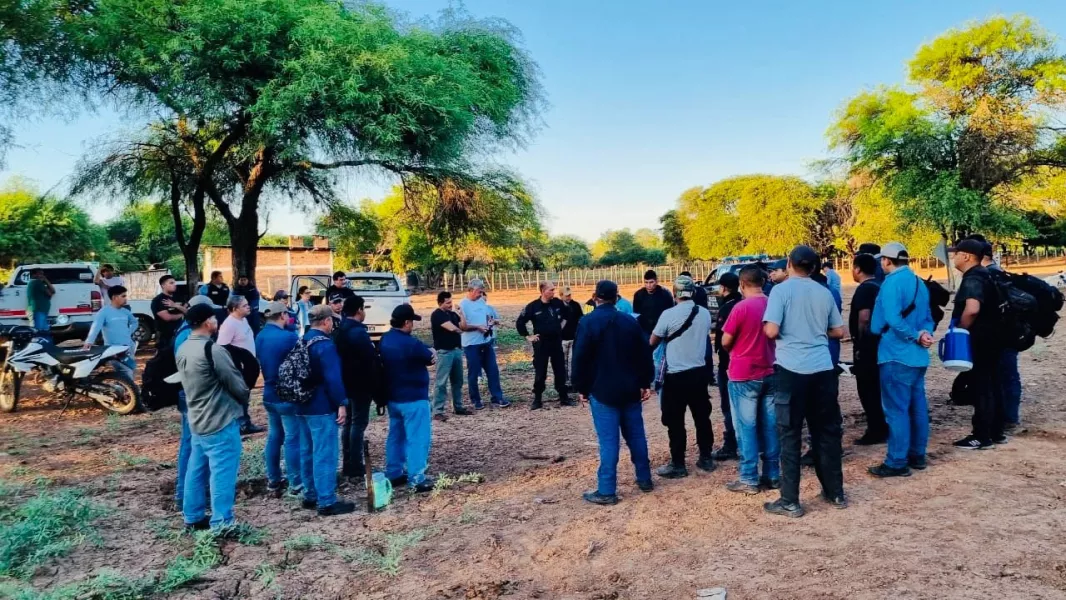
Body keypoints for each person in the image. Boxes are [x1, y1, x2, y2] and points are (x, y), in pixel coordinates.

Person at [762, 245, 846, 518]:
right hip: (822, 368)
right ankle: (835, 492)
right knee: (827, 431)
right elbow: (838, 331)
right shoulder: (824, 292)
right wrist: (815, 331)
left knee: (790, 434)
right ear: (813, 267)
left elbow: (771, 330)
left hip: (791, 369)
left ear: (789, 263)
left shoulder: (781, 291)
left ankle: (790, 500)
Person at [572, 280, 654, 505]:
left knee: (609, 442)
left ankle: (607, 490)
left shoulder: (587, 322)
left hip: (602, 391)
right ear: (617, 297)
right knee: (636, 436)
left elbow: (579, 358)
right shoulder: (630, 321)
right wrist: (645, 382)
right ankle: (645, 479)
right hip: (630, 389)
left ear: (595, 297)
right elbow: (644, 353)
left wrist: (581, 387)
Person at [175, 303, 249, 530]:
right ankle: (222, 522)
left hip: (197, 419)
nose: (217, 322)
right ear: (208, 322)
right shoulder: (212, 350)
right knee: (223, 471)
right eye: (214, 319)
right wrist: (243, 399)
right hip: (219, 420)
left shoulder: (183, 348)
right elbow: (235, 382)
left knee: (196, 469)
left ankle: (193, 516)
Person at [868, 242, 935, 478]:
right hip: (917, 357)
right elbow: (929, 318)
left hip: (895, 354)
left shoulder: (890, 283)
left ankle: (897, 461)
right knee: (917, 408)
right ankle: (917, 454)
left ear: (887, 260)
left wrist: (914, 335)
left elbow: (893, 320)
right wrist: (924, 334)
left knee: (896, 410)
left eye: (882, 260)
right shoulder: (918, 283)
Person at [720, 266, 779, 494]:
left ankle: (748, 477)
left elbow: (726, 340)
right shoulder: (772, 303)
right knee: (770, 425)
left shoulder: (741, 307)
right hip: (770, 369)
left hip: (743, 373)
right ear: (762, 282)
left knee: (746, 427)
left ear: (742, 284)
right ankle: (772, 474)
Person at [650, 274, 716, 478]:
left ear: (674, 293)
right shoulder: (704, 313)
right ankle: (706, 457)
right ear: (693, 292)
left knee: (675, 421)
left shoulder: (668, 314)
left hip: (675, 375)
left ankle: (678, 464)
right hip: (699, 373)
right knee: (702, 417)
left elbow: (653, 341)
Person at [297, 305, 355, 516]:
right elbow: (333, 379)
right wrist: (341, 403)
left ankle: (310, 494)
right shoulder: (325, 345)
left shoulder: (302, 340)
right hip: (321, 406)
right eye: (332, 320)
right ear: (326, 321)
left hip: (302, 403)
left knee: (307, 451)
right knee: (325, 453)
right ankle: (327, 500)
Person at [948, 238, 1005, 450]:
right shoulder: (986, 274)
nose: (953, 258)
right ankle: (996, 431)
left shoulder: (973, 278)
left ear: (966, 256)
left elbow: (972, 309)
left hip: (981, 339)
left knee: (981, 386)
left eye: (956, 254)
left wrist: (961, 331)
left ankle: (981, 436)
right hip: (994, 338)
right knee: (993, 384)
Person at [380, 305, 437, 493]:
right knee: (418, 438)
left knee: (396, 437)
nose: (412, 325)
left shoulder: (386, 339)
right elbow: (430, 357)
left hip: (394, 397)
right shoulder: (411, 343)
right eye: (411, 321)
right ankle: (417, 477)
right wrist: (432, 352)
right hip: (414, 398)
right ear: (406, 323)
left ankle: (394, 472)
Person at [255, 302, 302, 496]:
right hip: (287, 395)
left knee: (274, 436)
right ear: (282, 315)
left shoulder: (260, 336)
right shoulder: (289, 337)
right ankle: (296, 482)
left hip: (269, 393)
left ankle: (273, 479)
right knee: (292, 438)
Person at [975, 237, 1023, 429]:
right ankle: (1008, 416)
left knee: (1003, 376)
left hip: (1000, 335)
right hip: (1010, 332)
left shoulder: (988, 275)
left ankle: (1007, 418)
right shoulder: (1000, 272)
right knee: (1008, 375)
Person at [172, 295, 215, 511]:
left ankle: (190, 494)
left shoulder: (184, 332)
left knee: (193, 446)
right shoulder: (187, 337)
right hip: (194, 396)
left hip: (190, 394)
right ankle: (185, 496)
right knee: (192, 447)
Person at [334, 295, 380, 479]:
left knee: (349, 423)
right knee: (358, 424)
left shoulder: (340, 329)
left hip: (346, 382)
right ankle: (355, 465)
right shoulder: (358, 332)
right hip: (360, 383)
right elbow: (370, 359)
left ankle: (348, 463)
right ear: (359, 310)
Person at [516, 281, 574, 410]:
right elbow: (520, 322)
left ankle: (564, 397)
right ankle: (537, 399)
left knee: (560, 369)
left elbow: (568, 314)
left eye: (554, 290)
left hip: (556, 342)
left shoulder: (557, 303)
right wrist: (528, 336)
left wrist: (560, 327)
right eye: (551, 290)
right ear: (543, 291)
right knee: (540, 371)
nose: (554, 292)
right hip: (541, 343)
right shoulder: (533, 306)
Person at [850, 252, 888, 445]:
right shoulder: (880, 286)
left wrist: (860, 344)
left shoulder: (864, 290)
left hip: (868, 347)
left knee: (867, 389)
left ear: (857, 269)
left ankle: (876, 429)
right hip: (882, 344)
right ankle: (883, 424)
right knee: (879, 388)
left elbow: (864, 318)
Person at [458, 279, 509, 409]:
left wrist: (490, 322)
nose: (480, 294)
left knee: (493, 370)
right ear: (471, 290)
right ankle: (475, 399)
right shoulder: (463, 305)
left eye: (481, 292)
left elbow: (486, 316)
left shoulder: (481, 301)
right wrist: (477, 327)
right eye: (478, 292)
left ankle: (497, 397)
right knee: (474, 373)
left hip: (486, 342)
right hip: (471, 344)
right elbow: (462, 327)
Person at [711, 272, 741, 460]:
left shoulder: (727, 308)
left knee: (728, 406)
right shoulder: (743, 303)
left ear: (723, 288)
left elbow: (724, 341)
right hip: (744, 361)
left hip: (728, 363)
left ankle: (731, 443)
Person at [430, 292, 470, 420]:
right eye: (447, 302)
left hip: (456, 350)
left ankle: (458, 406)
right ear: (440, 303)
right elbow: (453, 328)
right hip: (444, 352)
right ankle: (437, 410)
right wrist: (460, 330)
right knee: (441, 382)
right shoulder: (437, 315)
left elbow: (464, 326)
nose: (450, 304)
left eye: (451, 302)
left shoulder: (452, 314)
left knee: (458, 380)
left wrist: (461, 314)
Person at [83, 285, 139, 378]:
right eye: (123, 296)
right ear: (114, 297)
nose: (126, 299)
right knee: (125, 372)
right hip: (114, 349)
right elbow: (96, 327)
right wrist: (89, 341)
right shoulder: (104, 312)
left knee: (129, 371)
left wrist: (128, 332)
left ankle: (124, 386)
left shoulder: (125, 311)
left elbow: (134, 322)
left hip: (128, 347)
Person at [633, 270, 675, 337]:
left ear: (656, 281)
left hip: (661, 330)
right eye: (646, 282)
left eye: (651, 282)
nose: (648, 285)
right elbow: (636, 314)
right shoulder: (638, 295)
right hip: (644, 330)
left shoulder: (665, 295)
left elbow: (670, 313)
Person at [152, 275, 186, 349]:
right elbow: (167, 317)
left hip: (180, 332)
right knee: (165, 354)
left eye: (174, 283)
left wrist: (175, 305)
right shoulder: (158, 300)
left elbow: (189, 311)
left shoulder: (179, 297)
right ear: (163, 285)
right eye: (171, 283)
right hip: (165, 336)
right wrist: (182, 313)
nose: (174, 285)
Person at [559, 286, 583, 388]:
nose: (569, 297)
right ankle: (565, 383)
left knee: (572, 361)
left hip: (574, 338)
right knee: (563, 362)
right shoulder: (557, 306)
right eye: (566, 295)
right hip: (562, 339)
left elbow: (581, 319)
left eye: (570, 295)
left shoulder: (575, 305)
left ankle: (573, 383)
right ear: (561, 295)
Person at [26, 268, 55, 336]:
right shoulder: (37, 282)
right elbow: (52, 292)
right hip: (38, 310)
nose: (42, 276)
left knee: (43, 330)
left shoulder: (32, 283)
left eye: (42, 274)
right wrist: (46, 280)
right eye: (40, 274)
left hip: (38, 309)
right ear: (33, 275)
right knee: (40, 331)